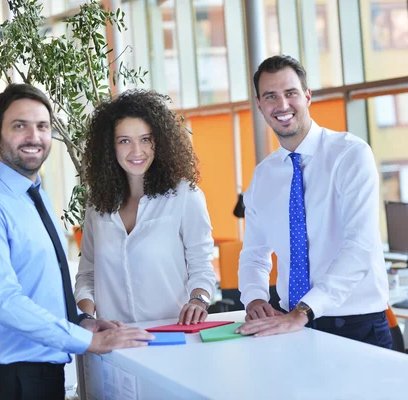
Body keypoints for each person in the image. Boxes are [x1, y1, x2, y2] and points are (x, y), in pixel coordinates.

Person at [0, 84, 154, 400]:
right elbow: (3, 302)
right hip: (10, 380)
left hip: (45, 374)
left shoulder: (37, 195)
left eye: (42, 126)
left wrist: (82, 321)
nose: (34, 136)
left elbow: (43, 286)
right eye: (20, 126)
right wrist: (90, 342)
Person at [235, 55, 391, 349]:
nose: (282, 105)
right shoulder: (264, 175)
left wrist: (304, 311)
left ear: (307, 96)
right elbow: (255, 254)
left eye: (290, 93)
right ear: (259, 104)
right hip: (289, 325)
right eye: (271, 96)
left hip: (355, 327)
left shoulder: (350, 155)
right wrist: (255, 297)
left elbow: (360, 246)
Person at [75, 89, 216, 326]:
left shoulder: (184, 196)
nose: (137, 151)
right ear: (110, 148)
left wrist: (198, 300)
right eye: (124, 141)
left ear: (158, 142)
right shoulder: (96, 205)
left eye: (145, 139)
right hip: (114, 342)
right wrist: (87, 318)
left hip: (172, 337)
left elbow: (201, 265)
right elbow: (88, 273)